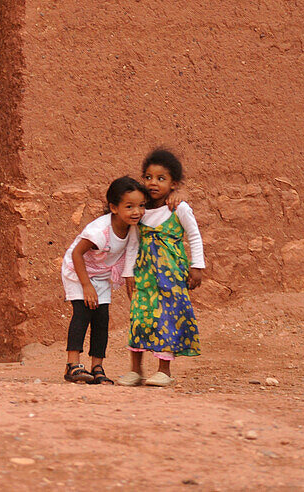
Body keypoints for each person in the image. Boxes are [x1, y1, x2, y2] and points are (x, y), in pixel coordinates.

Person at [119, 148, 205, 387]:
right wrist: (128, 274)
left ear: (173, 184)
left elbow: (194, 236)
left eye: (160, 178)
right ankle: (135, 370)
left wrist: (197, 266)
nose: (153, 183)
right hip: (144, 275)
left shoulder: (179, 208)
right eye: (148, 177)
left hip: (171, 275)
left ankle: (164, 371)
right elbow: (133, 243)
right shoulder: (140, 210)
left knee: (167, 318)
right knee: (140, 317)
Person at [60, 176, 147, 384]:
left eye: (141, 206)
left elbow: (132, 251)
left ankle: (97, 366)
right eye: (129, 206)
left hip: (101, 273)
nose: (137, 211)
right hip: (78, 270)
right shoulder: (99, 230)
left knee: (101, 319)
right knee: (82, 313)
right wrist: (86, 285)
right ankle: (72, 365)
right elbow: (76, 255)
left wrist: (129, 279)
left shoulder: (132, 227)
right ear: (114, 208)